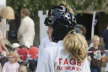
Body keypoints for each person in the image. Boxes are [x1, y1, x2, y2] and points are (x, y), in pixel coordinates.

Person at [36, 4, 90, 72]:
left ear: (58, 29)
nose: (48, 31)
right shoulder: (81, 54)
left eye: (50, 27)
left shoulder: (49, 52)